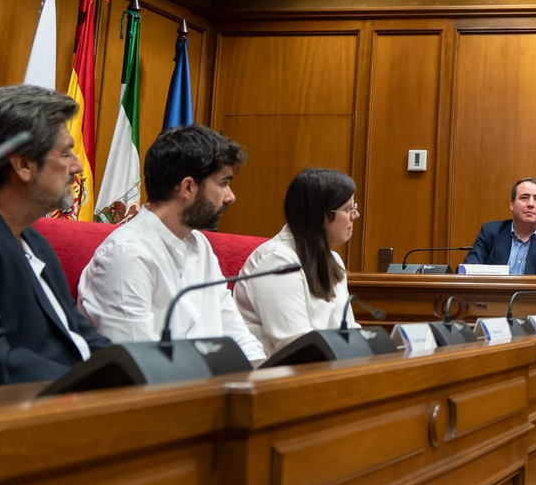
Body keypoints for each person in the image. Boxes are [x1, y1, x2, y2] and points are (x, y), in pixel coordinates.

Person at [0, 86, 111, 388]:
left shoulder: (34, 241)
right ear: (23, 164)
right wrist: (93, 386)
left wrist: (142, 372)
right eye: (66, 152)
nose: (77, 166)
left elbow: (81, 338)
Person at [78, 125, 264, 361]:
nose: (230, 197)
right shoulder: (126, 255)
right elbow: (141, 365)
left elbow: (236, 334)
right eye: (223, 183)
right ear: (188, 187)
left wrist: (264, 379)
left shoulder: (200, 244)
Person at [235, 168, 358, 356]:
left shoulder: (334, 260)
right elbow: (295, 346)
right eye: (349, 209)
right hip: (275, 374)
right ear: (321, 216)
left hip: (324, 367)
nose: (355, 215)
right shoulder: (277, 261)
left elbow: (348, 331)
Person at [463, 177, 536, 275]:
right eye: (524, 197)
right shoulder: (490, 232)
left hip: (535, 298)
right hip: (493, 296)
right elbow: (468, 271)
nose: (530, 204)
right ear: (512, 204)